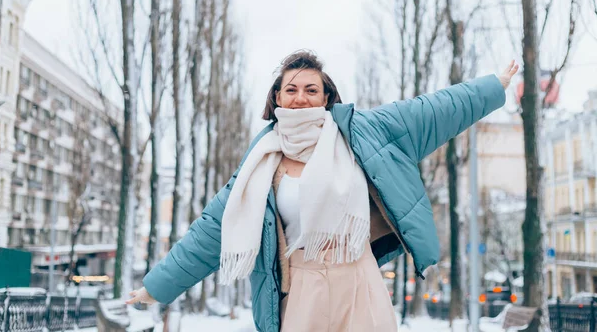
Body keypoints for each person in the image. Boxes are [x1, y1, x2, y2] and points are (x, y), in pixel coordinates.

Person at [127, 50, 519, 332]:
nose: (301, 98)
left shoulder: (364, 133)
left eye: (312, 90)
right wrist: (155, 287)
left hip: (359, 281)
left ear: (327, 98)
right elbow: (210, 231)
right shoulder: (259, 165)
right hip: (301, 290)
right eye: (291, 89)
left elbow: (432, 110)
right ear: (276, 99)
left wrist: (492, 87)